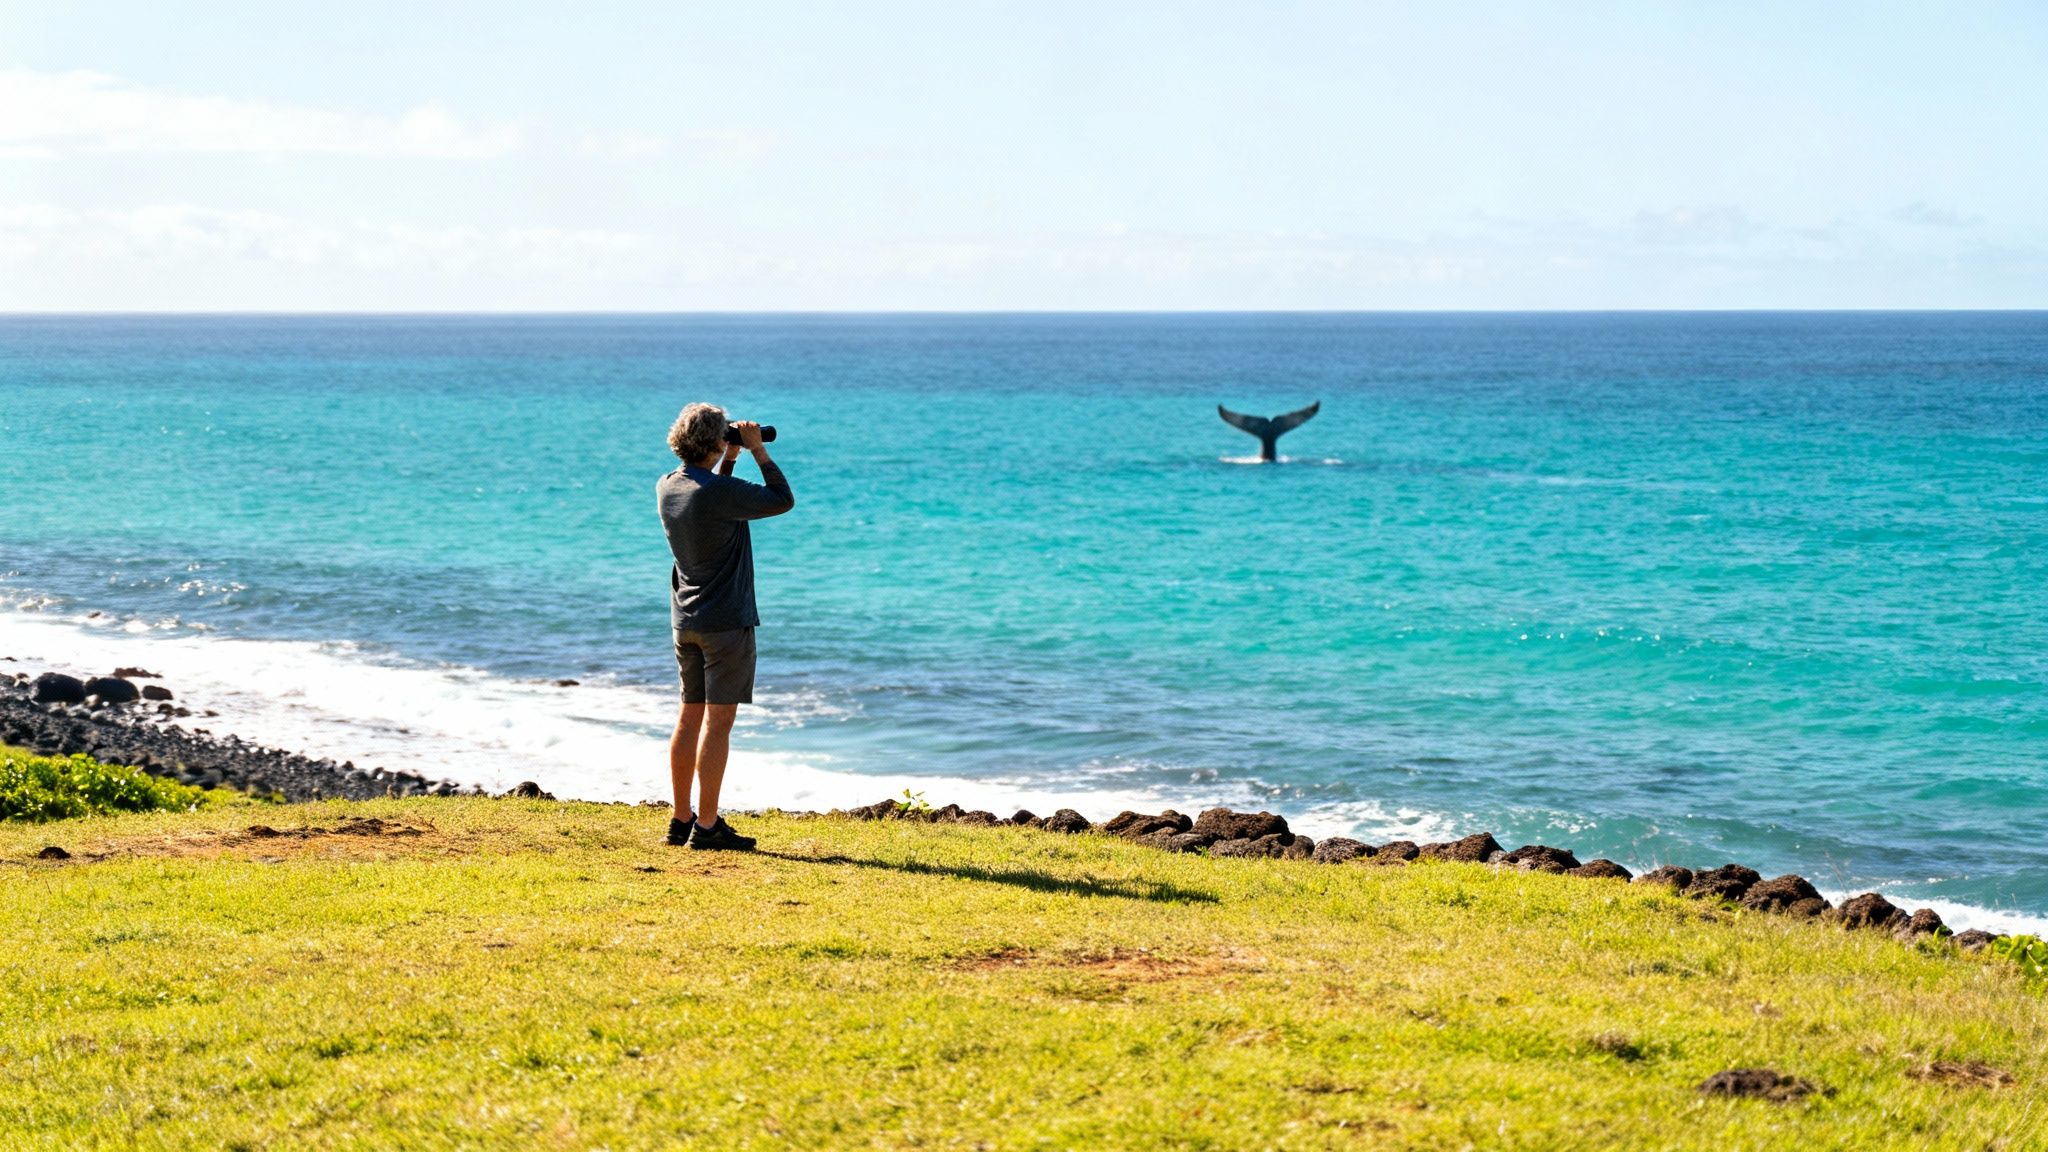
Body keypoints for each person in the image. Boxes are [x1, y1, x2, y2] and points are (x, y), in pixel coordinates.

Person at [656, 403, 794, 850]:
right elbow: (781, 500)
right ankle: (709, 826)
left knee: (689, 715)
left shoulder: (668, 486)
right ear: (715, 442)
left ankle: (681, 819)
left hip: (687, 620)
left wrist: (727, 454)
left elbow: (714, 490)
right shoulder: (716, 494)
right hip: (726, 624)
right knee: (718, 723)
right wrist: (757, 451)